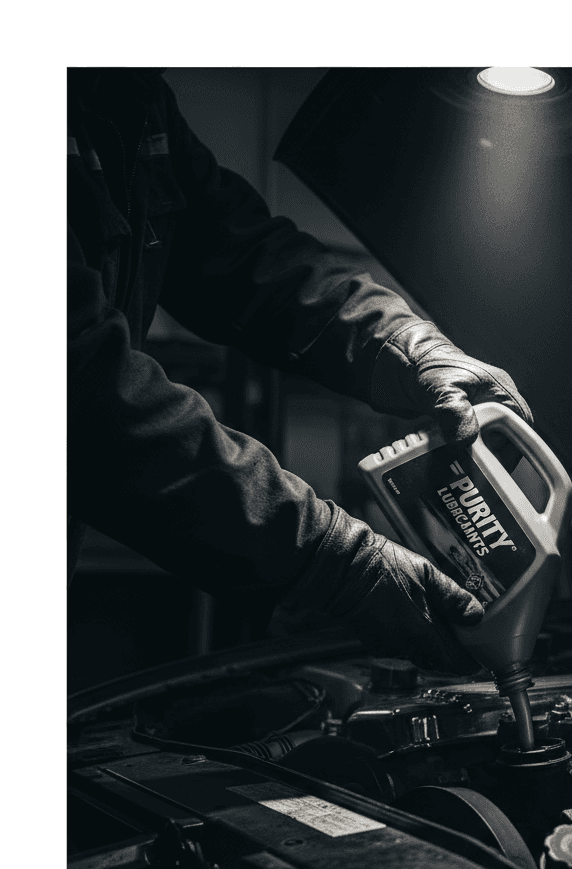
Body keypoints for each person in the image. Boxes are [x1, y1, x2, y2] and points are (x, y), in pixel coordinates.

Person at [67, 68, 532, 673]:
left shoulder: (132, 97)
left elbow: (244, 254)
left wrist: (407, 345)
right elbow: (79, 392)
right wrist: (334, 559)